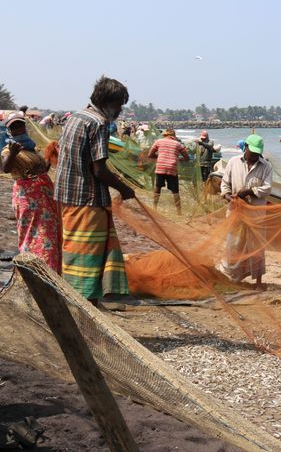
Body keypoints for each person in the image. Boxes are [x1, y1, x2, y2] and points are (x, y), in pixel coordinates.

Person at [54, 76, 136, 307]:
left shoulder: (75, 117)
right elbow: (99, 169)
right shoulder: (98, 123)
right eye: (120, 104)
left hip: (68, 196)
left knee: (73, 250)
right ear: (109, 102)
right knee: (87, 256)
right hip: (87, 199)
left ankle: (76, 302)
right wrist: (124, 188)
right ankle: (85, 307)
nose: (120, 110)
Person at [1, 111, 62, 272]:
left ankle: (51, 271)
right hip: (28, 198)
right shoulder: (8, 150)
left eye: (20, 125)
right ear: (9, 130)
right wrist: (13, 153)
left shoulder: (31, 148)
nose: (18, 129)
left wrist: (50, 155)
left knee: (49, 232)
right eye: (14, 127)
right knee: (32, 232)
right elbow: (5, 168)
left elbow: (42, 169)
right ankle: (36, 270)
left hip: (45, 196)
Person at [219, 134, 272, 288]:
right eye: (252, 152)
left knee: (256, 247)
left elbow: (267, 189)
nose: (254, 156)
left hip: (256, 215)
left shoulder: (266, 167)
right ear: (246, 147)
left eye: (257, 153)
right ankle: (231, 277)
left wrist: (249, 192)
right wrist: (229, 196)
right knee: (233, 245)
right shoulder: (233, 163)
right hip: (235, 213)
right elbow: (225, 183)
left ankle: (258, 281)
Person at [147, 129, 189, 215]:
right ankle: (179, 212)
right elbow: (187, 157)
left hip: (160, 167)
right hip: (172, 168)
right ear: (174, 136)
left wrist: (159, 157)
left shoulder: (158, 141)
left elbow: (150, 155)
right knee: (175, 191)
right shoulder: (178, 144)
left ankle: (154, 208)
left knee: (158, 188)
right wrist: (180, 159)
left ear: (165, 135)